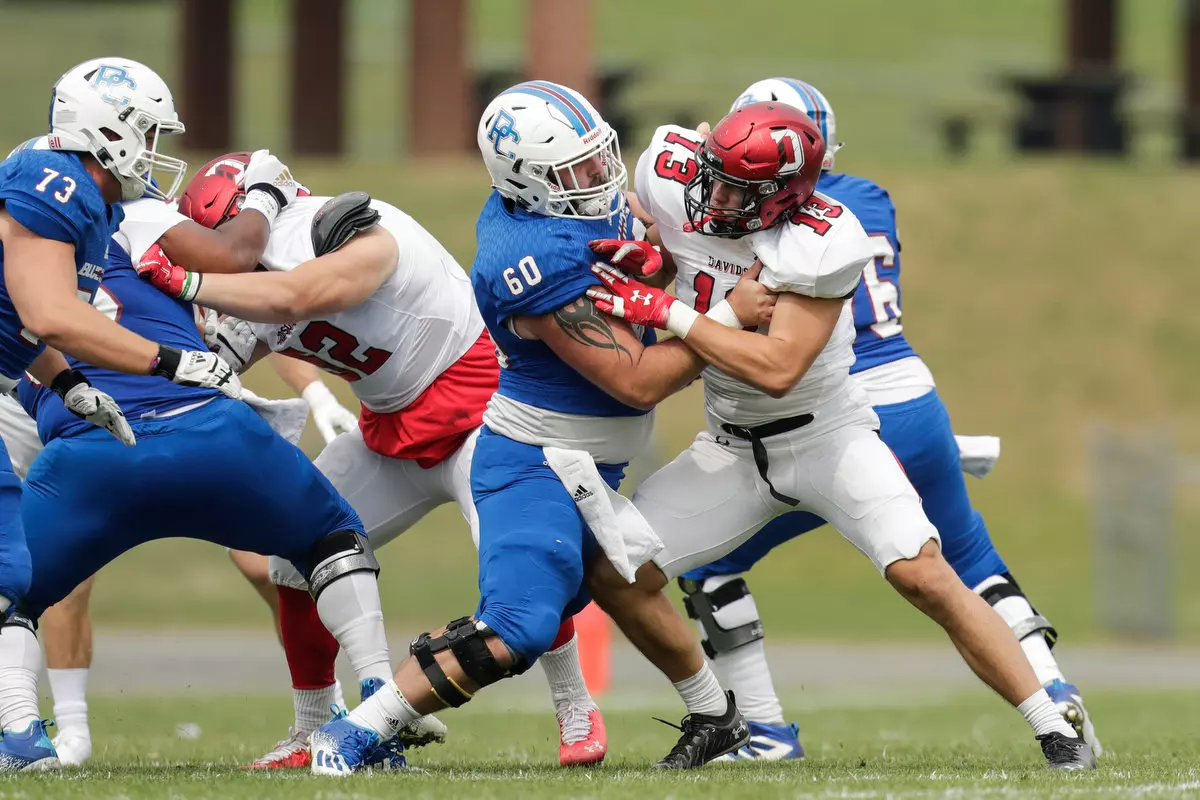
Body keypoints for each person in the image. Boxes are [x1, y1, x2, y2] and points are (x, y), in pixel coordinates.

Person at [581, 100, 1095, 770]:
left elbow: (776, 366)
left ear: (787, 198)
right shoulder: (674, 170)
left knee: (925, 574)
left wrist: (671, 312)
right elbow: (661, 240)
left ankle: (1054, 727)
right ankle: (719, 716)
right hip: (731, 450)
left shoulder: (824, 237)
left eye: (741, 189)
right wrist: (649, 260)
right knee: (614, 570)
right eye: (716, 176)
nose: (717, 197)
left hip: (828, 439)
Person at [300, 81, 793, 775]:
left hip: (591, 461)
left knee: (625, 574)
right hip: (533, 460)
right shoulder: (531, 259)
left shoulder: (570, 208)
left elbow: (638, 245)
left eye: (599, 160)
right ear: (529, 182)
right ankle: (353, 733)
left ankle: (717, 715)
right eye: (578, 173)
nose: (600, 180)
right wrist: (730, 317)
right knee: (518, 627)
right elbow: (638, 379)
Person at [139, 149, 608, 768]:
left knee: (526, 563)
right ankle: (313, 726)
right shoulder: (250, 282)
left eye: (211, 244)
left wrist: (188, 282)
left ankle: (577, 707)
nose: (206, 260)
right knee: (290, 557)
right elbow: (205, 364)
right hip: (392, 429)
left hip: (483, 416)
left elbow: (295, 296)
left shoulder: (338, 229)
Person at [0, 56, 242, 769]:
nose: (158, 149)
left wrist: (68, 383)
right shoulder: (55, 185)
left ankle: (18, 733)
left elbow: (14, 323)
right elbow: (50, 312)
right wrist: (166, 361)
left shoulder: (85, 199)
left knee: (11, 567)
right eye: (148, 132)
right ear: (106, 129)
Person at [18, 352, 357, 767]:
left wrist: (316, 393)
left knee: (271, 566)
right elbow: (48, 318)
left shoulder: (165, 288)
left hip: (150, 399)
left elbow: (276, 321)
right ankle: (61, 731)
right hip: (33, 394)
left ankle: (326, 709)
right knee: (34, 575)